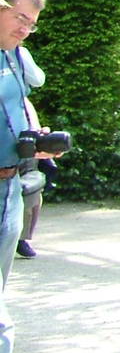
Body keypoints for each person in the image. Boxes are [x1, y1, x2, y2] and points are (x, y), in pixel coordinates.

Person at [0, 0, 62, 353]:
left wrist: (36, 139)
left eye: (32, 23)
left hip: (8, 191)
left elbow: (24, 100)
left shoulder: (16, 59)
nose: (25, 28)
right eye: (20, 18)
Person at [16, 48, 46, 260]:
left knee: (31, 183)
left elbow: (37, 79)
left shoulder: (18, 52)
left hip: (21, 123)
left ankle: (22, 237)